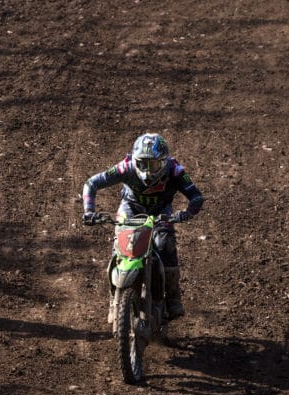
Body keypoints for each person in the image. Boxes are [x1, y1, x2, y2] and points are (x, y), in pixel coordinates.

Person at [81, 133, 203, 318]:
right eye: (142, 164)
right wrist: (89, 210)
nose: (147, 171)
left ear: (164, 161)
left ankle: (172, 298)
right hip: (130, 209)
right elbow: (92, 183)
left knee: (164, 245)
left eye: (153, 164)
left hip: (161, 212)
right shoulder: (126, 167)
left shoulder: (175, 171)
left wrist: (187, 213)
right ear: (135, 160)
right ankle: (115, 300)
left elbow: (196, 196)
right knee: (120, 251)